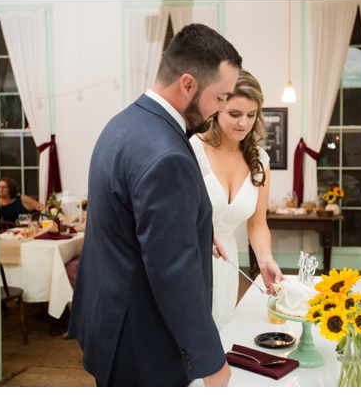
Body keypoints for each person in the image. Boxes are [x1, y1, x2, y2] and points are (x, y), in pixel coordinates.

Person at [69, 23, 241, 386]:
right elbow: (172, 272)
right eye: (221, 97)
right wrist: (211, 360)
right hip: (142, 342)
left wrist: (194, 230)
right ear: (188, 84)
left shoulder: (123, 124)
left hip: (109, 323)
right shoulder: (167, 155)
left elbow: (130, 219)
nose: (222, 109)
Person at [191, 70, 283, 329]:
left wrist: (265, 261)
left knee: (220, 331)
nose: (244, 123)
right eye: (235, 114)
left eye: (251, 115)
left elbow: (257, 224)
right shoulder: (192, 150)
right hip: (191, 259)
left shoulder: (260, 161)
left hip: (228, 261)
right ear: (216, 109)